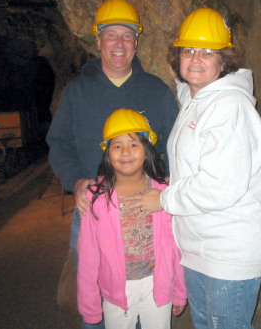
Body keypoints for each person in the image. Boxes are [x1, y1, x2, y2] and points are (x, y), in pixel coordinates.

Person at [123, 8, 261, 329]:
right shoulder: (199, 99)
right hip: (202, 247)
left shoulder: (228, 106)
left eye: (207, 53)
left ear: (224, 62)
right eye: (188, 51)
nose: (196, 59)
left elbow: (219, 185)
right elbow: (187, 87)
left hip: (229, 251)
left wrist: (163, 200)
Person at [45, 0, 179, 328]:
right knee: (95, 297)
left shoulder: (156, 92)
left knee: (149, 298)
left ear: (136, 42)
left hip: (147, 214)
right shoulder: (76, 92)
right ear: (98, 39)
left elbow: (177, 150)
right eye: (111, 34)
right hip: (95, 213)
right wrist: (76, 181)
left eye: (127, 35)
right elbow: (58, 144)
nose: (119, 43)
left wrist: (166, 196)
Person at [77, 109, 186, 329]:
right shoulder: (96, 198)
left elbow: (176, 246)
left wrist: (180, 291)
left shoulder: (163, 193)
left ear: (147, 151)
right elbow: (88, 255)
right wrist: (89, 306)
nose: (125, 151)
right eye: (117, 145)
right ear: (108, 153)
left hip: (158, 285)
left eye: (134, 144)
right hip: (117, 291)